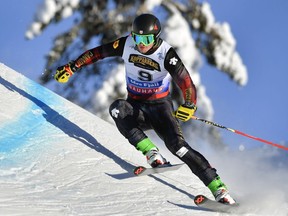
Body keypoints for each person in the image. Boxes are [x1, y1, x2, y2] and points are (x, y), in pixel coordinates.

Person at [54, 13, 236, 205]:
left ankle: (219, 188)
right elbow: (97, 53)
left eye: (147, 39)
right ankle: (152, 153)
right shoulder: (126, 44)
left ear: (156, 37)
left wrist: (189, 103)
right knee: (117, 109)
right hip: (136, 107)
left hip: (161, 109)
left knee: (178, 147)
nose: (142, 44)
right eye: (138, 38)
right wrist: (72, 66)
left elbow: (185, 81)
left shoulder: (166, 53)